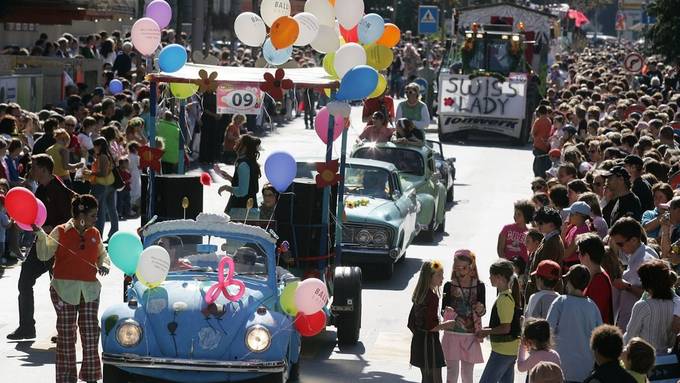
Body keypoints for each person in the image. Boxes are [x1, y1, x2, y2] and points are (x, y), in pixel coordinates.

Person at [35, 194, 110, 383]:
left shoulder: (95, 233)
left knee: (91, 332)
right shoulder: (61, 231)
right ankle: (66, 379)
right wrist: (40, 235)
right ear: (81, 215)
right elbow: (45, 254)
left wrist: (104, 265)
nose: (96, 219)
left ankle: (91, 376)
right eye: (93, 215)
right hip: (63, 290)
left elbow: (102, 254)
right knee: (67, 336)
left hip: (90, 290)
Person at [7, 154, 75, 340]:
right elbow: (34, 213)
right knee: (25, 281)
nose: (31, 169)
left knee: (59, 289)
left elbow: (68, 220)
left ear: (44, 170)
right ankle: (27, 327)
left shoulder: (58, 190)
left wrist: (50, 228)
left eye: (34, 166)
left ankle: (65, 330)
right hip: (41, 245)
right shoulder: (41, 189)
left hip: (57, 247)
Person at [546, 264, 603, 382]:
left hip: (561, 367)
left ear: (570, 283)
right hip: (586, 369)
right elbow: (600, 335)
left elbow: (548, 329)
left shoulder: (560, 302)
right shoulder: (592, 306)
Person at [441, 250, 485, 383]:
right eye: (457, 267)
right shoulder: (449, 285)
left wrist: (480, 308)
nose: (460, 271)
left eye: (464, 267)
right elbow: (443, 310)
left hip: (470, 335)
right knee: (451, 375)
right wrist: (446, 311)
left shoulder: (479, 286)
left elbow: (483, 311)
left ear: (471, 266)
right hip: (452, 333)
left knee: (467, 376)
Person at [408, 260, 453, 383]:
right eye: (438, 275)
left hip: (419, 340)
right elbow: (430, 326)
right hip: (430, 343)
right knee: (435, 379)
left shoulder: (419, 294)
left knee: (426, 378)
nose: (442, 278)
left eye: (442, 274)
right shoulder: (432, 297)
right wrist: (447, 325)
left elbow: (411, 322)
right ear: (429, 277)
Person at [609, 217, 658, 331]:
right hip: (630, 323)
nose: (619, 248)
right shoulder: (641, 252)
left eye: (620, 244)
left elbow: (654, 295)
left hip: (638, 328)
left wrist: (627, 286)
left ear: (634, 240)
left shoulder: (646, 260)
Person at [477, 259, 520, 383]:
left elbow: (506, 327)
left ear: (500, 277)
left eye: (491, 275)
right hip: (509, 349)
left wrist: (487, 332)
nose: (489, 278)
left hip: (503, 350)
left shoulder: (504, 299)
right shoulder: (505, 296)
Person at [623, 259, 675, 353]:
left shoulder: (643, 306)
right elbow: (672, 340)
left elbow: (630, 336)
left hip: (643, 361)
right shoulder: (674, 305)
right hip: (666, 358)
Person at [525, 207, 564, 302]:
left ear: (551, 225)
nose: (538, 225)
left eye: (541, 223)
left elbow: (546, 273)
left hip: (543, 294)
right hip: (540, 292)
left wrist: (536, 294)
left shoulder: (552, 243)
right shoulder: (548, 239)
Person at [217, 135, 262, 217]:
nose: (236, 142)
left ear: (244, 147)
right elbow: (248, 183)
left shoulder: (243, 164)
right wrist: (230, 178)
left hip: (243, 210)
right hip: (248, 209)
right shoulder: (248, 161)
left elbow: (242, 191)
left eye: (239, 142)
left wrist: (226, 188)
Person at [84, 137, 118, 241]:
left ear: (99, 146)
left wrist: (91, 173)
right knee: (112, 209)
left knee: (101, 211)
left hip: (102, 186)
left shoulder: (102, 157)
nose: (94, 148)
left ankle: (99, 235)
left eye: (95, 146)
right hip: (110, 185)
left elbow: (103, 173)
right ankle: (113, 233)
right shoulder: (107, 155)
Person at [578, 233, 614, 324]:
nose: (578, 257)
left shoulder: (599, 281)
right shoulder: (595, 275)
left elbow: (593, 315)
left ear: (587, 256)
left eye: (579, 253)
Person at [497, 200, 533, 264]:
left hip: (523, 267)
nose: (515, 216)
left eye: (519, 214)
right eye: (515, 213)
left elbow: (530, 253)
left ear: (526, 216)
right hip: (507, 265)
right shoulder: (507, 228)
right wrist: (506, 263)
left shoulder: (530, 233)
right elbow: (500, 249)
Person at [561, 201, 592, 268]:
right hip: (569, 266)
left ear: (579, 215)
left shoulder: (582, 231)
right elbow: (563, 246)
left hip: (575, 267)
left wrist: (563, 233)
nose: (569, 216)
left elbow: (565, 254)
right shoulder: (574, 228)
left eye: (571, 214)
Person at [531, 105, 552, 178]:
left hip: (538, 144)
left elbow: (533, 133)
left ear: (539, 112)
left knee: (537, 163)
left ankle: (538, 177)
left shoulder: (538, 121)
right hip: (546, 144)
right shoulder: (549, 121)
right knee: (543, 162)